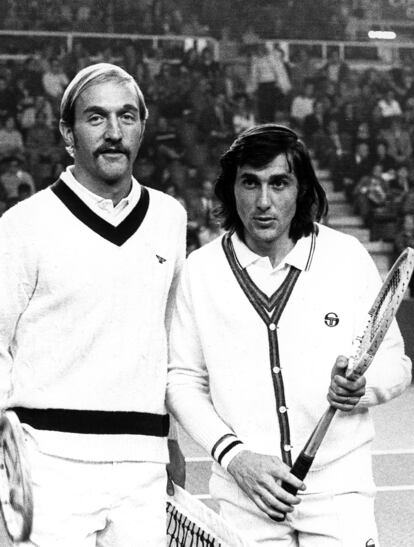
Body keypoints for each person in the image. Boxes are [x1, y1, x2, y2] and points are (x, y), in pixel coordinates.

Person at [167, 124, 411, 546]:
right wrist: (236, 457)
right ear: (232, 189)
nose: (264, 202)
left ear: (300, 190)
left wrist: (362, 387)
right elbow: (182, 380)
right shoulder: (200, 271)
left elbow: (395, 362)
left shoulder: (346, 257)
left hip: (340, 495)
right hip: (247, 494)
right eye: (250, 183)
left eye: (279, 183)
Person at [0, 62, 186, 546]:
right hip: (49, 463)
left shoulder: (170, 218)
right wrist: (7, 455)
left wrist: (169, 441)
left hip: (142, 462)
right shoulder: (23, 225)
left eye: (127, 116)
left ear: (142, 127)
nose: (114, 132)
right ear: (68, 132)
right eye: (96, 118)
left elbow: (166, 337)